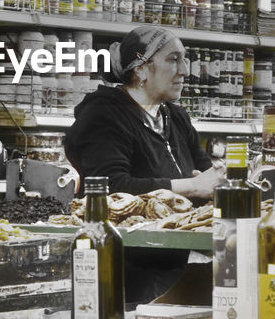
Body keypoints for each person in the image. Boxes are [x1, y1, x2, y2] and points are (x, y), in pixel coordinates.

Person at [65, 26, 224, 201]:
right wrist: (191, 187)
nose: (184, 70)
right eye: (173, 60)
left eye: (184, 59)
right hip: (125, 227)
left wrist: (213, 181)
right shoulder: (103, 115)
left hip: (177, 225)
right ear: (140, 69)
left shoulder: (177, 118)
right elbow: (110, 187)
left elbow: (208, 177)